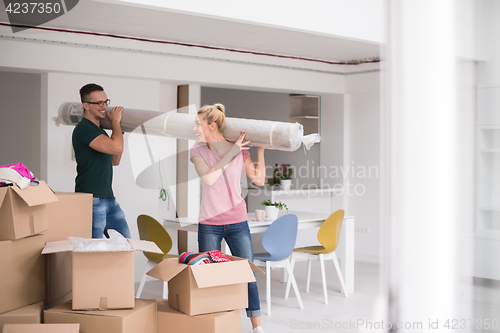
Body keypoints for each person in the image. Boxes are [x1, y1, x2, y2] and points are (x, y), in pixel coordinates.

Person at [190, 103, 266, 333]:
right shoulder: (197, 151)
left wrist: (261, 149)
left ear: (211, 125)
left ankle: (256, 327)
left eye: (198, 123)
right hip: (209, 225)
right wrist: (232, 153)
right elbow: (209, 179)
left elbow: (258, 179)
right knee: (208, 276)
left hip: (237, 222)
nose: (194, 128)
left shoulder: (240, 150)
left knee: (247, 273)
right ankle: (212, 323)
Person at [72, 83, 131, 239]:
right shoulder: (85, 129)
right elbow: (117, 148)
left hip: (108, 198)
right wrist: (115, 123)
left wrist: (118, 131)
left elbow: (115, 160)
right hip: (92, 199)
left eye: (105, 102)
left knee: (125, 243)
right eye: (99, 103)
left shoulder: (100, 131)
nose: (104, 106)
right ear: (86, 105)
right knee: (94, 248)